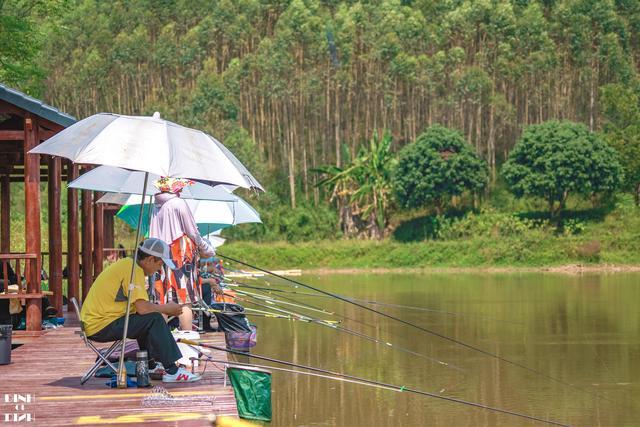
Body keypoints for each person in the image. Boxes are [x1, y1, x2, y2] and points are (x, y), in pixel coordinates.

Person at [80, 238, 201, 382]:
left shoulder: (128, 265)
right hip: (99, 325)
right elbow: (143, 308)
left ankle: (150, 365)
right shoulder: (133, 270)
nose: (159, 269)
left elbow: (140, 308)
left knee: (147, 319)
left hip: (96, 323)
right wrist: (166, 309)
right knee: (154, 318)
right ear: (150, 259)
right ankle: (173, 371)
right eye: (160, 264)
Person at [148, 177, 215, 331]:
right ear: (175, 188)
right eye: (180, 187)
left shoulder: (156, 204)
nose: (182, 189)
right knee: (184, 301)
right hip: (180, 255)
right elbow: (193, 233)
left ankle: (160, 340)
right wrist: (207, 249)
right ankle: (186, 340)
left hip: (160, 254)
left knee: (163, 300)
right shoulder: (178, 203)